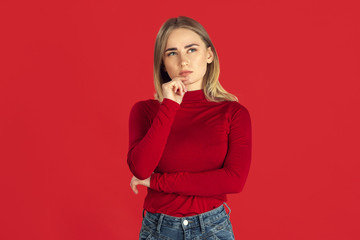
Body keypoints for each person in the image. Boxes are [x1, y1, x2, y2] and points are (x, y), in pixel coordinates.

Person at [127, 16, 252, 240]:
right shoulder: (145, 111)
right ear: (163, 63)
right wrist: (170, 106)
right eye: (172, 53)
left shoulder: (234, 113)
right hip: (158, 229)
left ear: (209, 55)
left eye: (191, 50)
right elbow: (141, 168)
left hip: (212, 228)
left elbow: (234, 180)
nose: (183, 61)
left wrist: (157, 182)